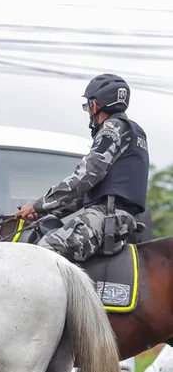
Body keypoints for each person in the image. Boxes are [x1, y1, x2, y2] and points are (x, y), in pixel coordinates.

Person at [16, 74, 147, 262]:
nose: (88, 111)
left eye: (88, 105)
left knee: (42, 254)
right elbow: (87, 194)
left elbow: (84, 177)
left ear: (96, 105)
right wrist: (45, 211)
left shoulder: (112, 128)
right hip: (113, 216)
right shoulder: (132, 131)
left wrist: (38, 205)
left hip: (107, 217)